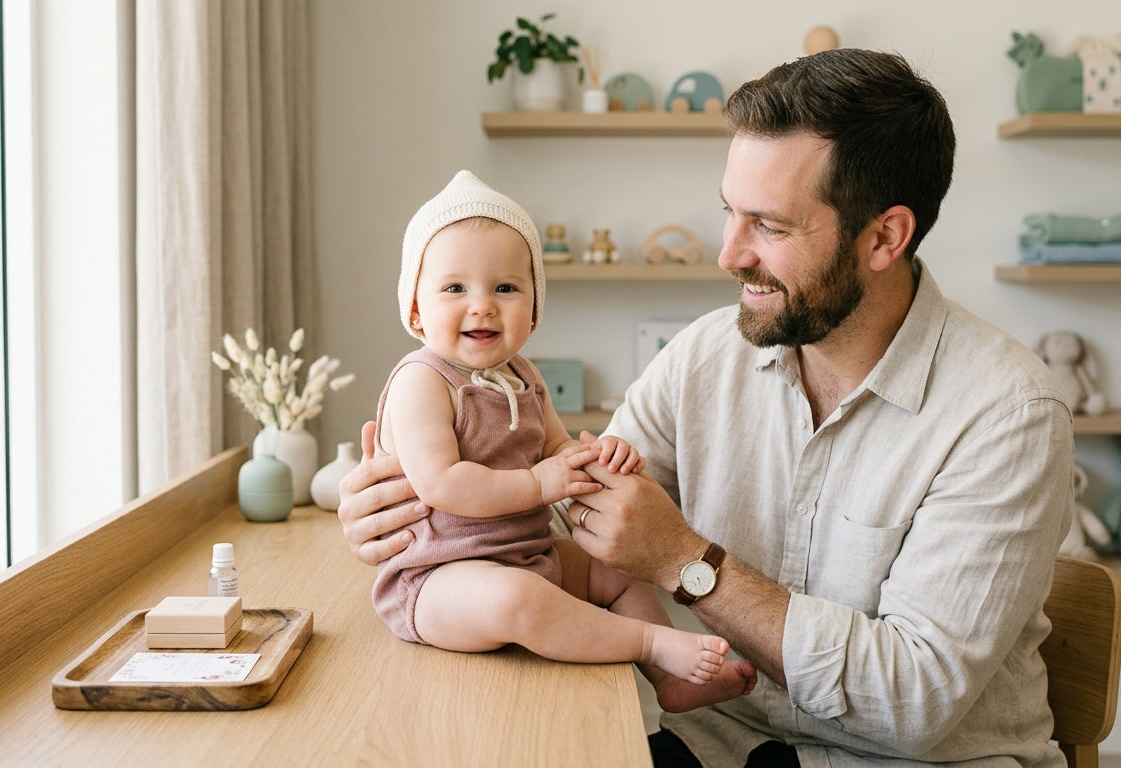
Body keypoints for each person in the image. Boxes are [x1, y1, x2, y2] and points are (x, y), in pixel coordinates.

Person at [340, 50, 1074, 768]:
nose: (728, 254)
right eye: (730, 213)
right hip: (713, 743)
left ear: (885, 236)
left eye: (771, 227)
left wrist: (691, 565)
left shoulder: (1008, 415)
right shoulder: (705, 356)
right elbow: (569, 514)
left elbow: (914, 705)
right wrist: (409, 513)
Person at [369, 170, 758, 713]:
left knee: (617, 571)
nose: (481, 305)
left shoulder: (524, 375)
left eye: (505, 287)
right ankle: (653, 644)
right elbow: (443, 484)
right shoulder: (423, 381)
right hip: (440, 579)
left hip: (529, 554)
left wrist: (599, 456)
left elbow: (556, 449)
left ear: (534, 309)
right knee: (518, 598)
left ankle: (669, 682)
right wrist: (537, 484)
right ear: (415, 309)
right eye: (454, 288)